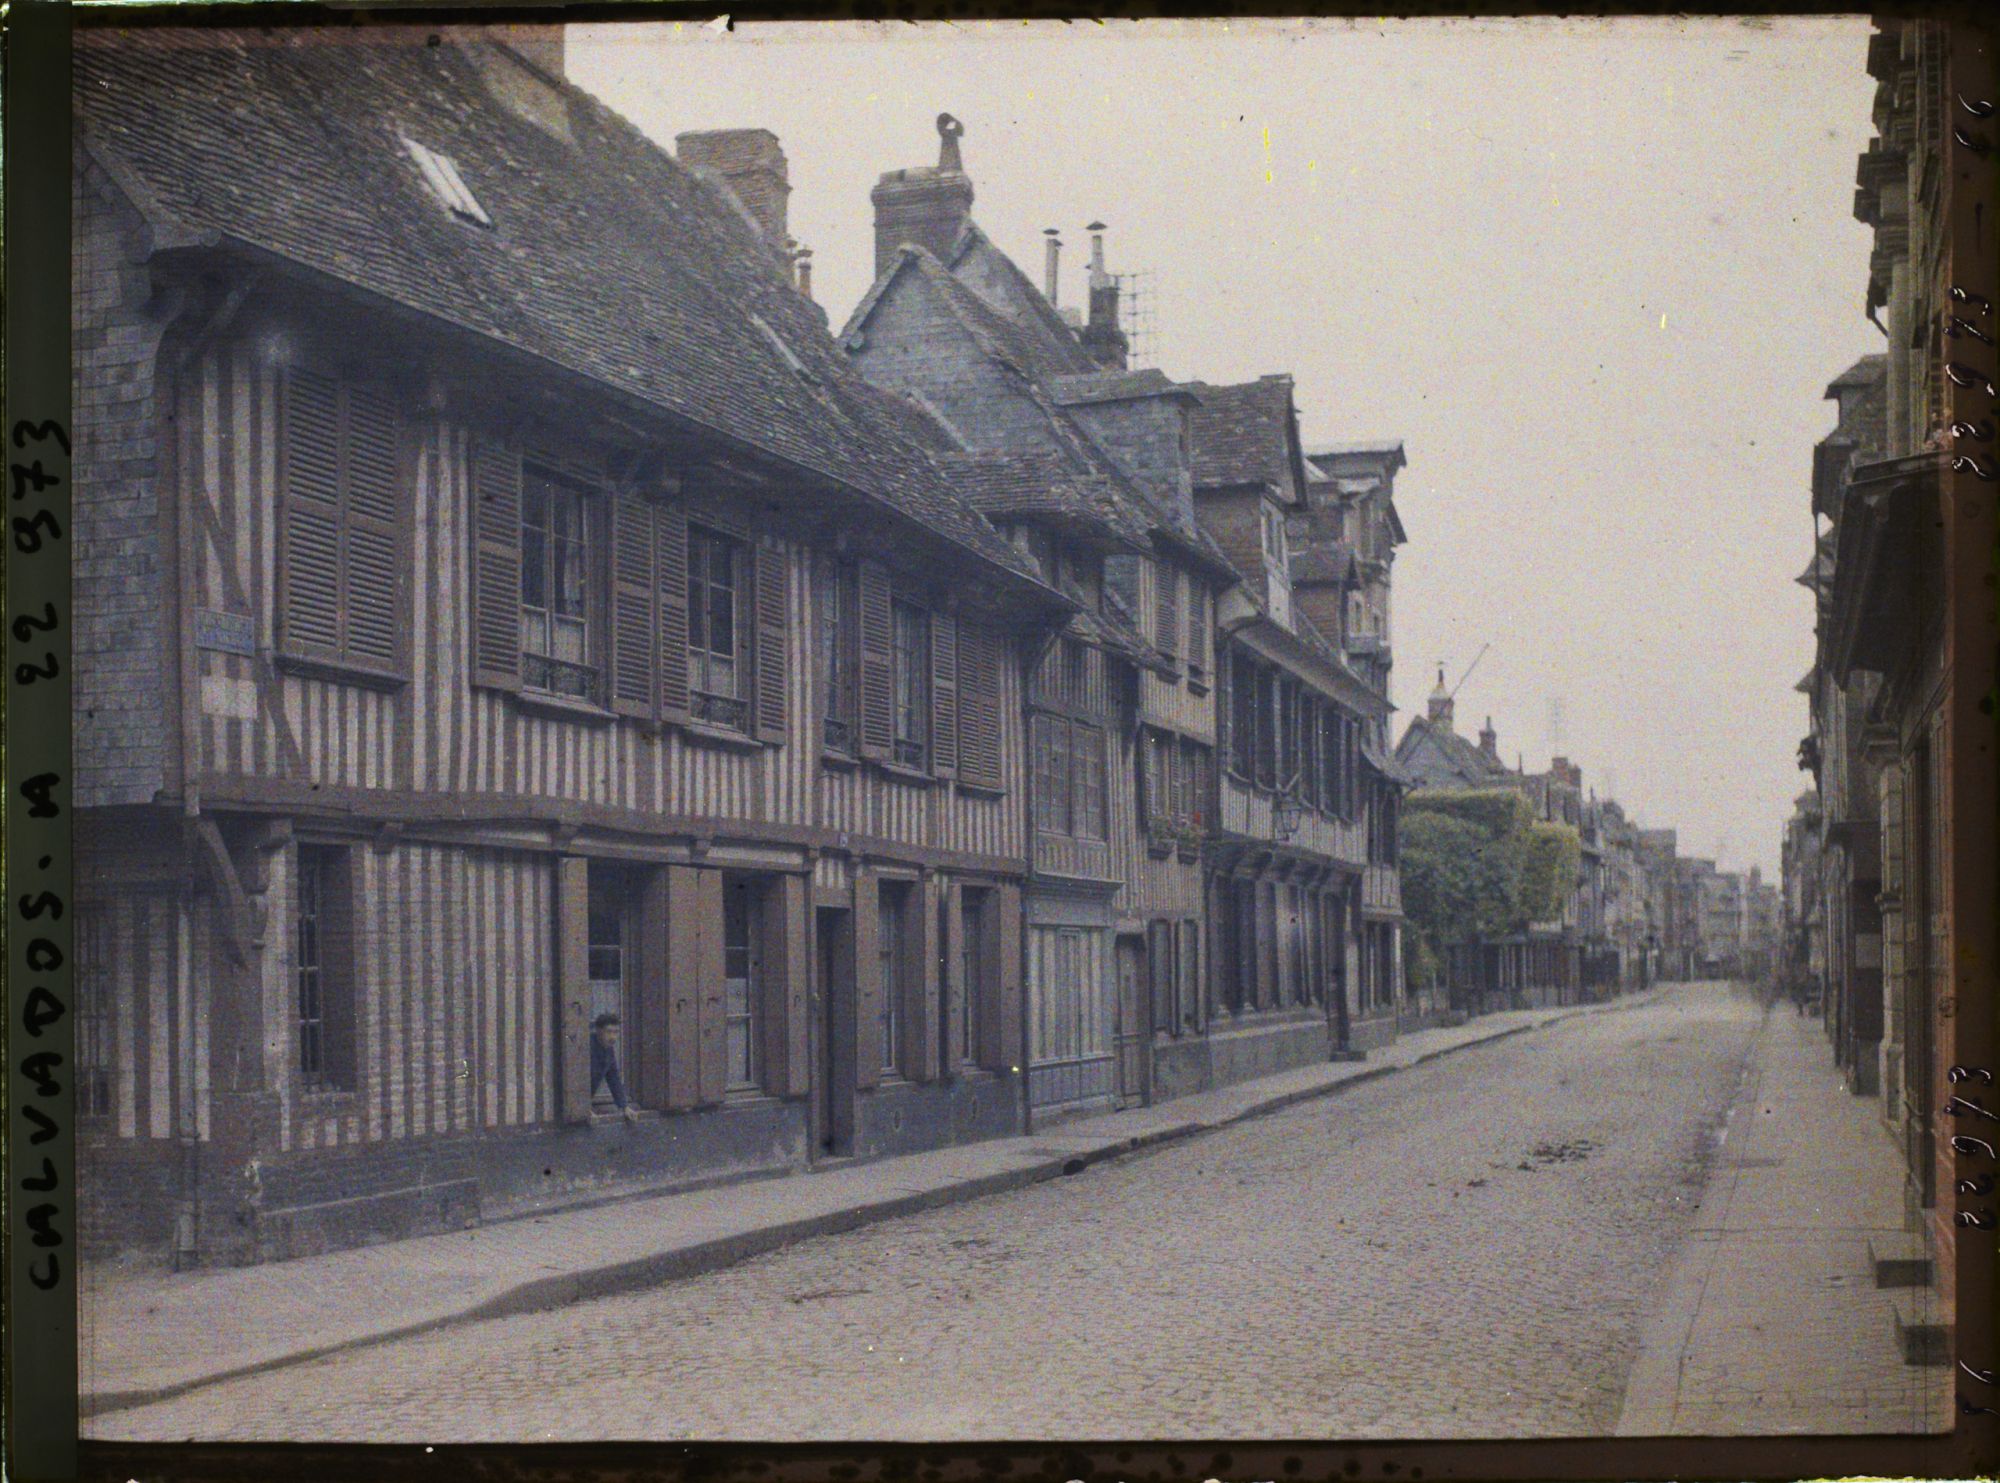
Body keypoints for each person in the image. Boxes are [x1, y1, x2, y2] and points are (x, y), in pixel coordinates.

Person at [591, 1013, 641, 1121]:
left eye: (616, 1032)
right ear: (598, 1031)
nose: (613, 1037)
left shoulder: (608, 1050)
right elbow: (576, 1081)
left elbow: (613, 1078)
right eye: (608, 1032)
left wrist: (624, 1107)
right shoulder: (587, 1047)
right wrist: (582, 1109)